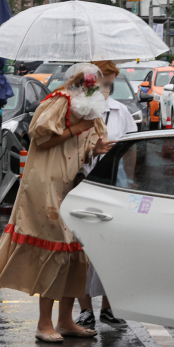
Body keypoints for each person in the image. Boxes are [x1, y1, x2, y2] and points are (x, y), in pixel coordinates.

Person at [0, 64, 114, 343]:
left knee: (74, 252)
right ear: (82, 81)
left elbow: (85, 146)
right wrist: (76, 129)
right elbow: (40, 138)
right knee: (56, 249)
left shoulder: (90, 108)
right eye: (99, 81)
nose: (102, 87)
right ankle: (44, 322)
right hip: (46, 186)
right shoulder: (58, 101)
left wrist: (96, 148)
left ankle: (65, 320)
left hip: (73, 185)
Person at [75, 60, 136, 330]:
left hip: (114, 189)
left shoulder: (120, 112)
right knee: (80, 250)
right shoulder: (78, 109)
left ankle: (109, 308)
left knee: (113, 249)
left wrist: (132, 184)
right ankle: (85, 309)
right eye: (103, 80)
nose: (106, 86)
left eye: (110, 81)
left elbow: (132, 151)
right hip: (81, 187)